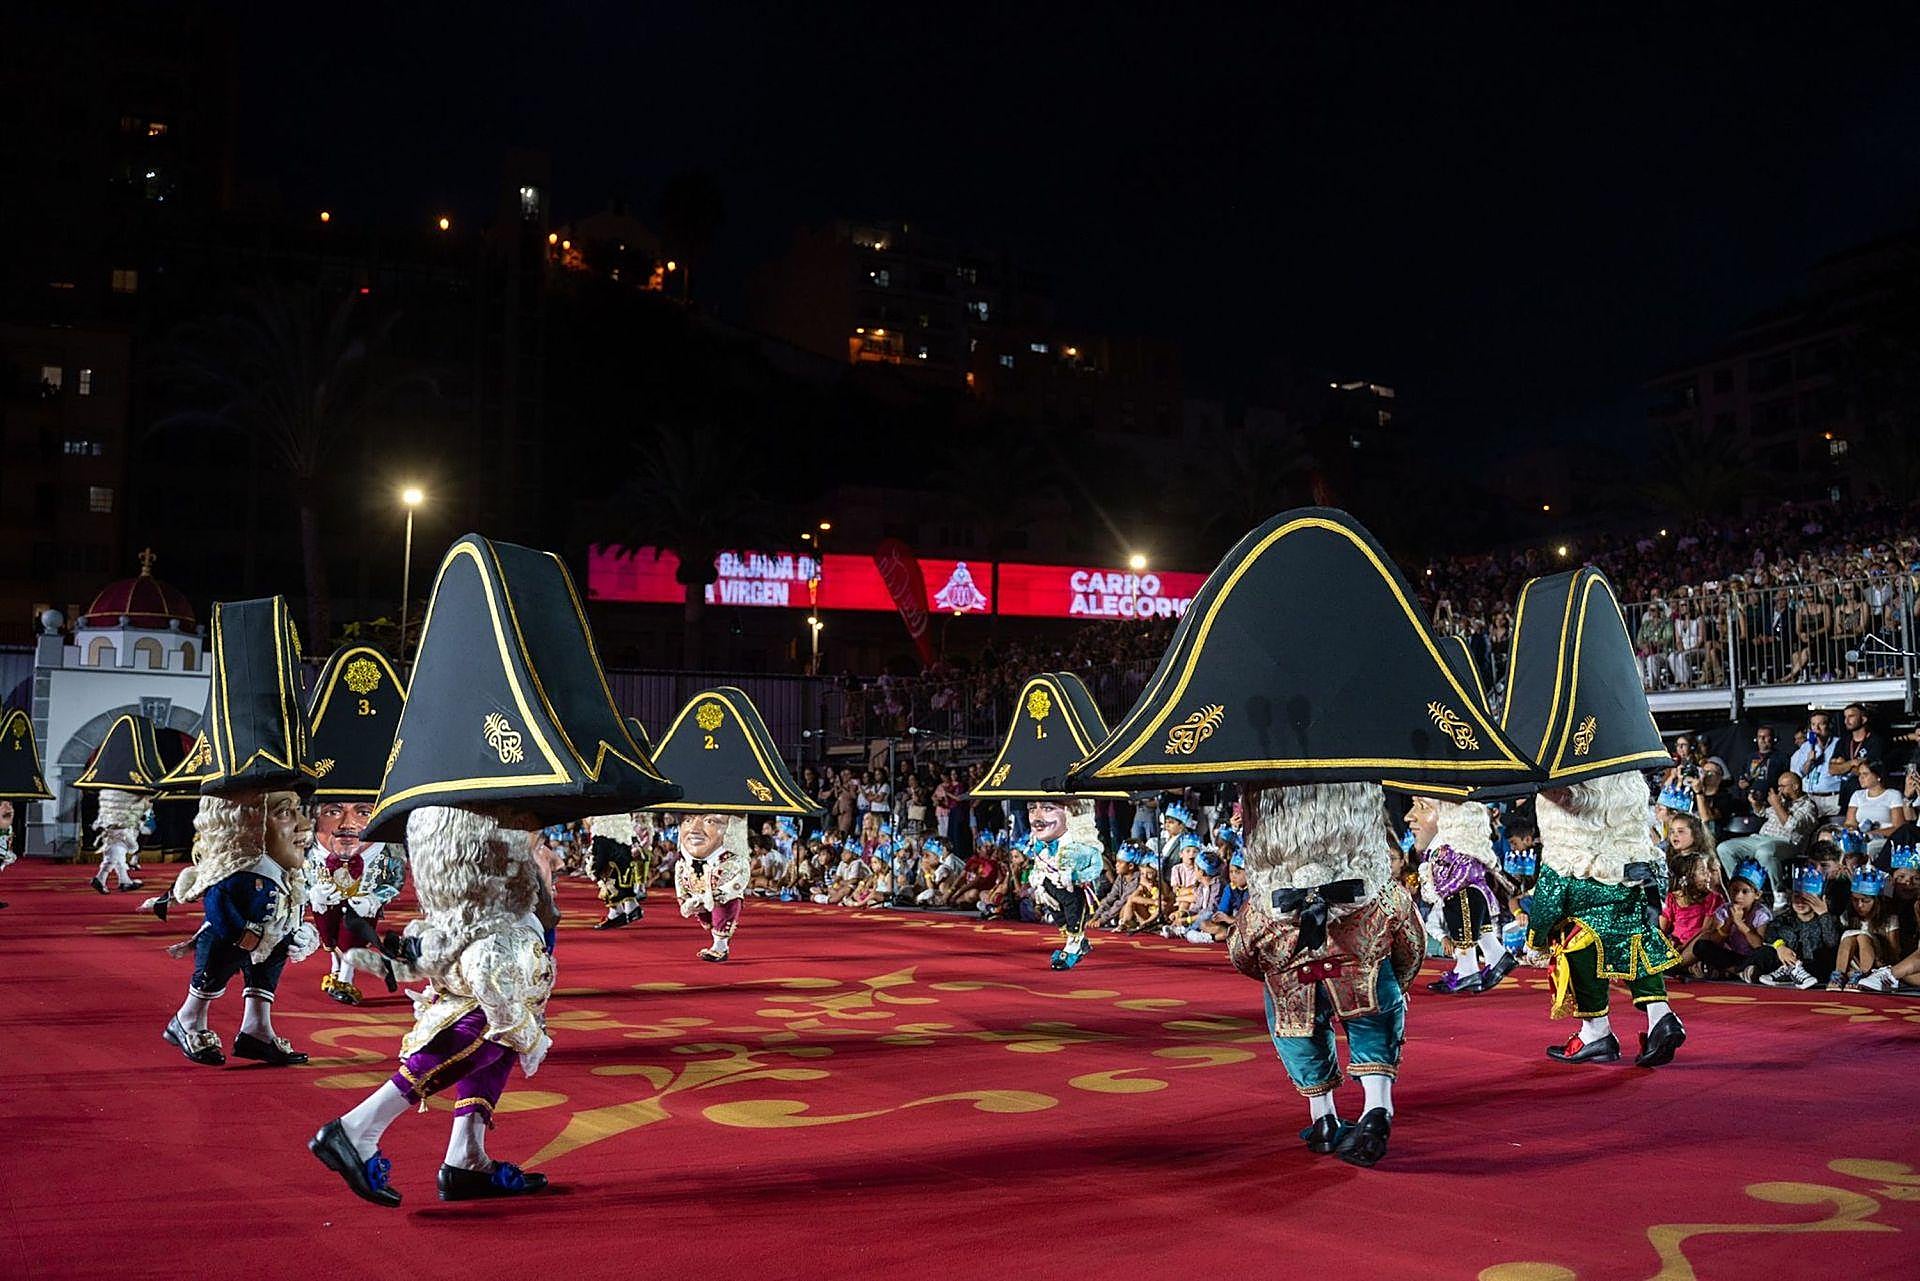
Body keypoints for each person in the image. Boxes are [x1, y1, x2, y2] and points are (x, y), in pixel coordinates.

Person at [310, 531, 680, 1207]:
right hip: (482, 910)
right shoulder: (476, 750)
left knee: (502, 1002)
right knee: (494, 1011)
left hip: (486, 898)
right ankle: (358, 1127)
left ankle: (466, 1152)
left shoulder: (454, 730)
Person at [159, 597, 323, 1069]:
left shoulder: (285, 872)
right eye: (286, 813)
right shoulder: (240, 870)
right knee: (219, 971)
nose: (304, 825)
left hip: (265, 940)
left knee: (265, 974)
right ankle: (189, 1017)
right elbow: (220, 908)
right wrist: (251, 934)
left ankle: (256, 1026)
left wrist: (293, 933)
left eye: (299, 811)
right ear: (251, 821)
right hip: (235, 941)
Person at [651, 687, 823, 961]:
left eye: (708, 821)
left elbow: (734, 883)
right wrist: (688, 901)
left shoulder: (732, 857)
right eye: (688, 820)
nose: (694, 828)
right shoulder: (684, 857)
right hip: (697, 882)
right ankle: (715, 938)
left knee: (724, 903)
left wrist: (714, 894)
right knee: (704, 909)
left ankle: (720, 945)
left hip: (722, 879)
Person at [303, 646, 409, 1005]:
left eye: (363, 811)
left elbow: (393, 881)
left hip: (364, 901)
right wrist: (312, 892)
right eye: (334, 810)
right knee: (330, 938)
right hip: (325, 897)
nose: (348, 823)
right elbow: (301, 874)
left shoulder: (385, 846)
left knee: (353, 935)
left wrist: (373, 898)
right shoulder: (311, 846)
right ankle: (338, 971)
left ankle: (344, 978)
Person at [1409, 796, 1516, 995]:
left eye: (1422, 807)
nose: (1408, 817)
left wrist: (1442, 890)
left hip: (1463, 895)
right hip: (1466, 895)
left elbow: (1462, 874)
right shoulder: (1446, 845)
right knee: (1476, 929)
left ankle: (1468, 969)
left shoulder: (1457, 848)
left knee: (1464, 931)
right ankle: (1495, 957)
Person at [1719, 769, 1818, 905]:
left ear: (1795, 786)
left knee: (1764, 852)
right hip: (1761, 838)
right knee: (1725, 848)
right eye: (1779, 786)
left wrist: (1776, 804)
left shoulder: (1808, 806)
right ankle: (1742, 887)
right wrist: (1756, 803)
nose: (1780, 790)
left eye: (1783, 786)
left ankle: (1779, 894)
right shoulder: (1782, 800)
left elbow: (1792, 825)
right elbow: (1763, 813)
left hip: (1787, 843)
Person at [1756, 864, 1841, 988]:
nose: (1800, 902)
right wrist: (1780, 947)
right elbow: (1769, 934)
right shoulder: (1784, 918)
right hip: (1785, 962)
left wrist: (1823, 914)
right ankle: (1786, 972)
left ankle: (1796, 971)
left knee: (1823, 954)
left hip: (1817, 967)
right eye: (1796, 896)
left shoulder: (1828, 919)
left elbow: (1832, 942)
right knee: (1765, 951)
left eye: (1806, 898)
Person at [1688, 861, 1773, 979]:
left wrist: (1740, 923)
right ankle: (1738, 972)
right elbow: (1716, 942)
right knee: (1701, 946)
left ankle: (1730, 972)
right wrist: (1729, 923)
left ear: (1757, 894)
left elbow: (1758, 945)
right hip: (1731, 956)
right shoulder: (1724, 910)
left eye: (1745, 891)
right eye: (1734, 890)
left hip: (1751, 957)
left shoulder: (1761, 913)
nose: (1738, 896)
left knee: (1767, 953)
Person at [1830, 866, 1901, 990]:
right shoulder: (1848, 916)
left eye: (1865, 901)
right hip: (1852, 964)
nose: (1859, 905)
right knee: (1850, 936)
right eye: (1855, 900)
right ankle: (1839, 974)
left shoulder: (1889, 919)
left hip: (1877, 963)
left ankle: (1864, 974)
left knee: (1862, 936)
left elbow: (1894, 952)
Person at [1660, 850, 1726, 977]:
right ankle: (1687, 967)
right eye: (1702, 871)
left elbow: (1704, 930)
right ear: (1687, 876)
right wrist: (1667, 945)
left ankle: (1679, 966)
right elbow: (1661, 928)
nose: (1708, 875)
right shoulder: (1672, 898)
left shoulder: (1713, 898)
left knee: (1703, 943)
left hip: (1694, 945)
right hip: (1677, 946)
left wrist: (1683, 947)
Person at [1844, 760, 1909, 859]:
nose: (1861, 778)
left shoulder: (1893, 795)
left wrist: (1872, 834)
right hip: (1862, 838)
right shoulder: (1857, 795)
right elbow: (1849, 822)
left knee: (1870, 848)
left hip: (1884, 839)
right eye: (1860, 774)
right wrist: (1853, 832)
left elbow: (1898, 827)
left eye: (1865, 774)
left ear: (1878, 776)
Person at [90, 788, 149, 893]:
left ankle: (125, 881)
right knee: (112, 858)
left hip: (114, 830)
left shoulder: (110, 797)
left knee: (119, 858)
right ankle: (100, 879)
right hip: (120, 832)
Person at [1792, 711, 1844, 817]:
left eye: (1821, 724)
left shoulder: (1839, 743)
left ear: (1829, 726)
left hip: (1832, 797)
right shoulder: (1806, 746)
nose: (1817, 728)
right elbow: (1800, 773)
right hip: (1810, 797)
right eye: (1813, 724)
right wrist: (1809, 761)